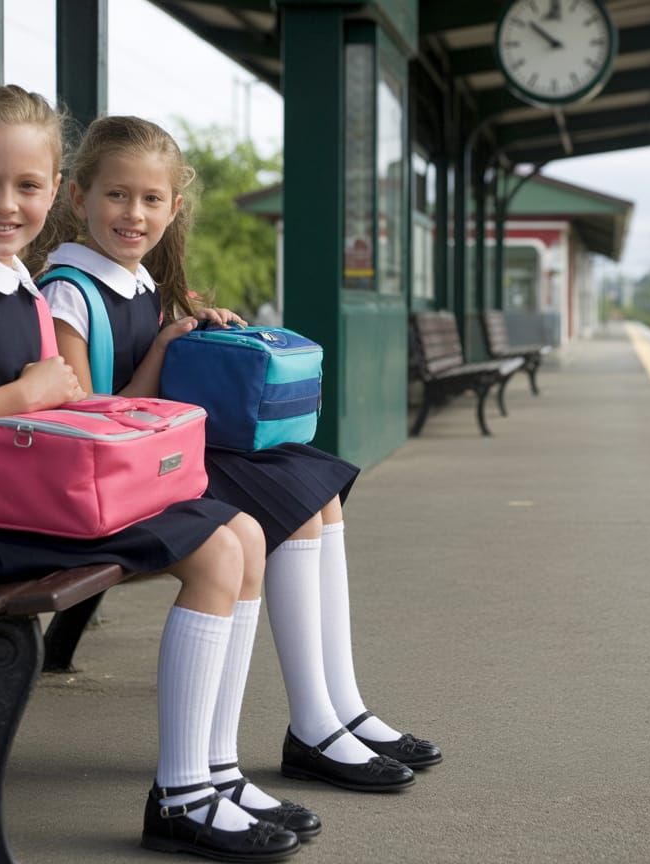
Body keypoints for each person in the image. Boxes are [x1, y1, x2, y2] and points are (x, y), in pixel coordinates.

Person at [0, 84, 301, 862]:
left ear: (51, 195)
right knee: (215, 551)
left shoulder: (17, 285)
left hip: (17, 501)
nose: (7, 204)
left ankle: (217, 771)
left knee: (241, 533)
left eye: (26, 186)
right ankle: (180, 796)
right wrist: (21, 395)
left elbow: (60, 414)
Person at [39, 115, 441, 796]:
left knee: (317, 489)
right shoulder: (68, 293)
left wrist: (200, 337)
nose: (133, 213)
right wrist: (168, 350)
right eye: (116, 195)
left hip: (151, 462)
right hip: (114, 476)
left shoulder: (139, 284)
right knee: (295, 504)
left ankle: (339, 706)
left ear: (174, 207)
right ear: (78, 199)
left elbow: (157, 396)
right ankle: (315, 725)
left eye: (151, 199)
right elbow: (93, 424)